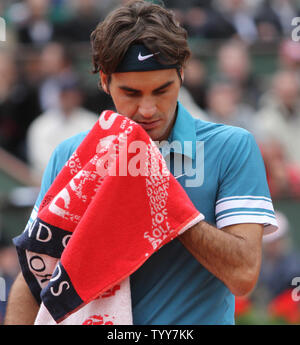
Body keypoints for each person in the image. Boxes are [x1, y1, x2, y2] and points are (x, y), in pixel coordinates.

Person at [5, 0, 277, 325]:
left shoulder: (233, 147)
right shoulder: (69, 155)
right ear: (104, 81)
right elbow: (34, 278)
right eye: (131, 93)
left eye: (162, 90)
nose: (148, 110)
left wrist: (162, 201)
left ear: (183, 73)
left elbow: (243, 275)